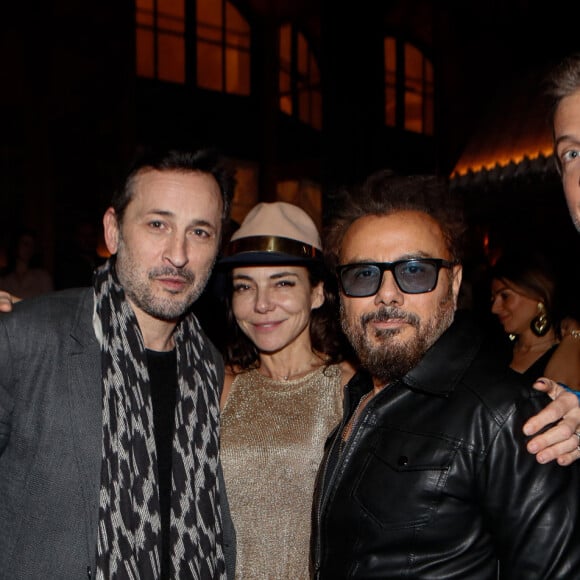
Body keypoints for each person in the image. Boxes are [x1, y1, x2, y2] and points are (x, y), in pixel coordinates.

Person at [312, 172, 580, 578]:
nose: (387, 294)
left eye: (415, 271)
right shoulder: (357, 398)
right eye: (364, 274)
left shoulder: (508, 414)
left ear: (453, 284)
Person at [0, 147, 236, 579]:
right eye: (157, 224)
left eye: (200, 232)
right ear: (113, 231)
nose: (178, 255)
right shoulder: (25, 338)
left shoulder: (208, 366)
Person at [216, 202, 355, 578]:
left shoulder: (350, 389)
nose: (261, 304)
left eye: (283, 283)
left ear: (317, 293)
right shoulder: (219, 389)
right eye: (245, 286)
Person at [490, 250, 580, 386]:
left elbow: (555, 397)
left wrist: (574, 335)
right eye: (493, 298)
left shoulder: (569, 351)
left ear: (539, 295)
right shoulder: (493, 348)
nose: (494, 308)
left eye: (505, 296)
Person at [0, 227, 53, 298]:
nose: (29, 248)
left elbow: (50, 303)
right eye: (25, 244)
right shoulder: (4, 281)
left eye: (32, 245)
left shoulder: (42, 277)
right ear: (16, 245)